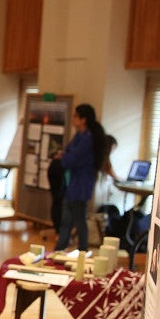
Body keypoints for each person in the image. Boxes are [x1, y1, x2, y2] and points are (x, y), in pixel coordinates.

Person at [54, 103, 107, 252]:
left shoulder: (87, 139)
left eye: (76, 116)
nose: (73, 119)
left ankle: (82, 249)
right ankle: (60, 248)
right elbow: (68, 152)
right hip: (73, 184)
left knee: (78, 219)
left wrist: (64, 157)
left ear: (83, 119)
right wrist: (65, 156)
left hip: (80, 185)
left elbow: (70, 159)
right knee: (66, 220)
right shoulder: (80, 135)